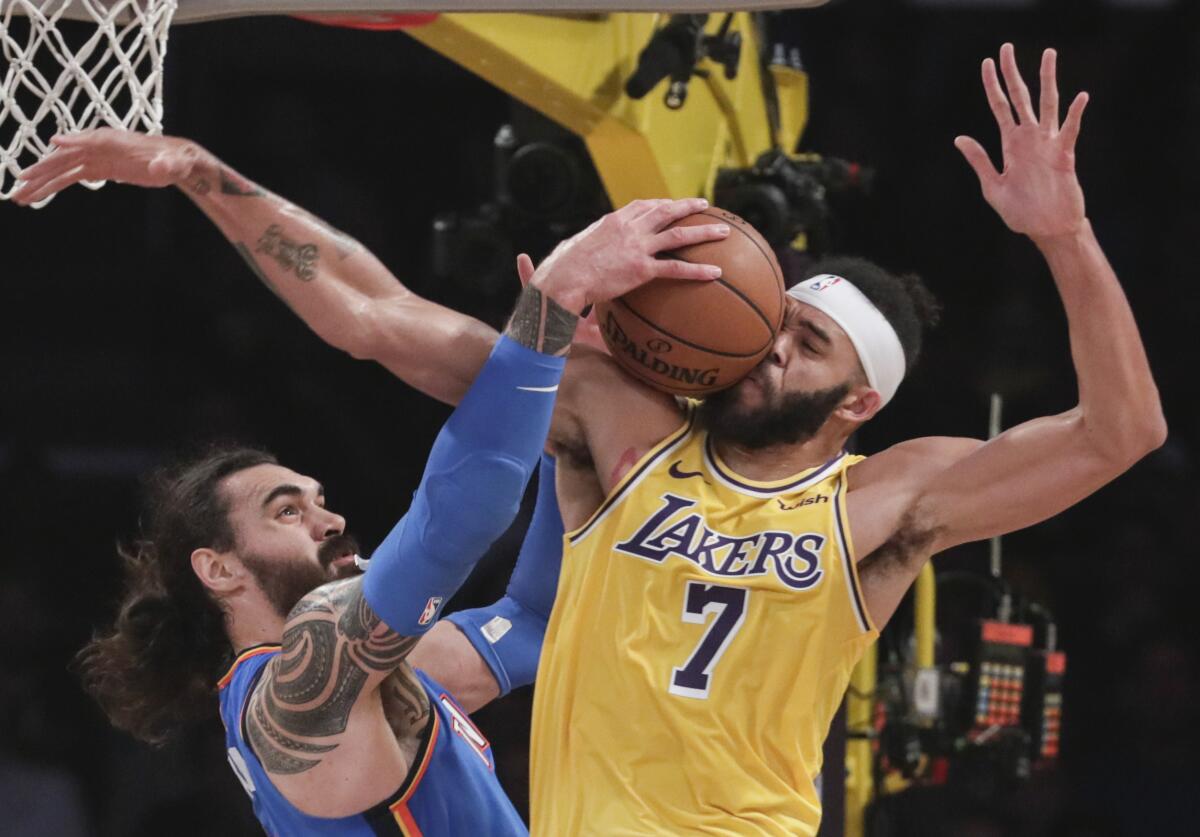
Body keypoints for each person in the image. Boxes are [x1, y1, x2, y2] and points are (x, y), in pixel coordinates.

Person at [21, 44, 1166, 835]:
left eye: (806, 347)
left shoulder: (890, 497)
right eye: (772, 324)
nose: (768, 351)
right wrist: (202, 175)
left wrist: (1065, 239)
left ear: (856, 402)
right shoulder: (623, 415)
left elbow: (1122, 432)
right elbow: (378, 320)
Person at [70, 210, 726, 836]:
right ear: (218, 568)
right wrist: (552, 304)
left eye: (318, 497)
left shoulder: (368, 675)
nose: (329, 519)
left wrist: (571, 420)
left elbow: (535, 619)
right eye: (288, 510)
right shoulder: (293, 697)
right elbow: (457, 518)